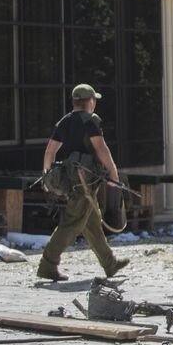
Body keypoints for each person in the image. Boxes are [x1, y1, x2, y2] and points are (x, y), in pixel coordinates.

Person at [37, 83, 130, 282]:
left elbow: (50, 151)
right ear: (90, 101)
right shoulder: (91, 121)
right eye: (94, 100)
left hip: (74, 180)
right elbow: (101, 148)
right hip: (85, 182)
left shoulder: (65, 121)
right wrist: (113, 174)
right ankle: (47, 265)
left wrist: (47, 177)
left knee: (92, 223)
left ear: (74, 102)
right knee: (71, 223)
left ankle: (110, 263)